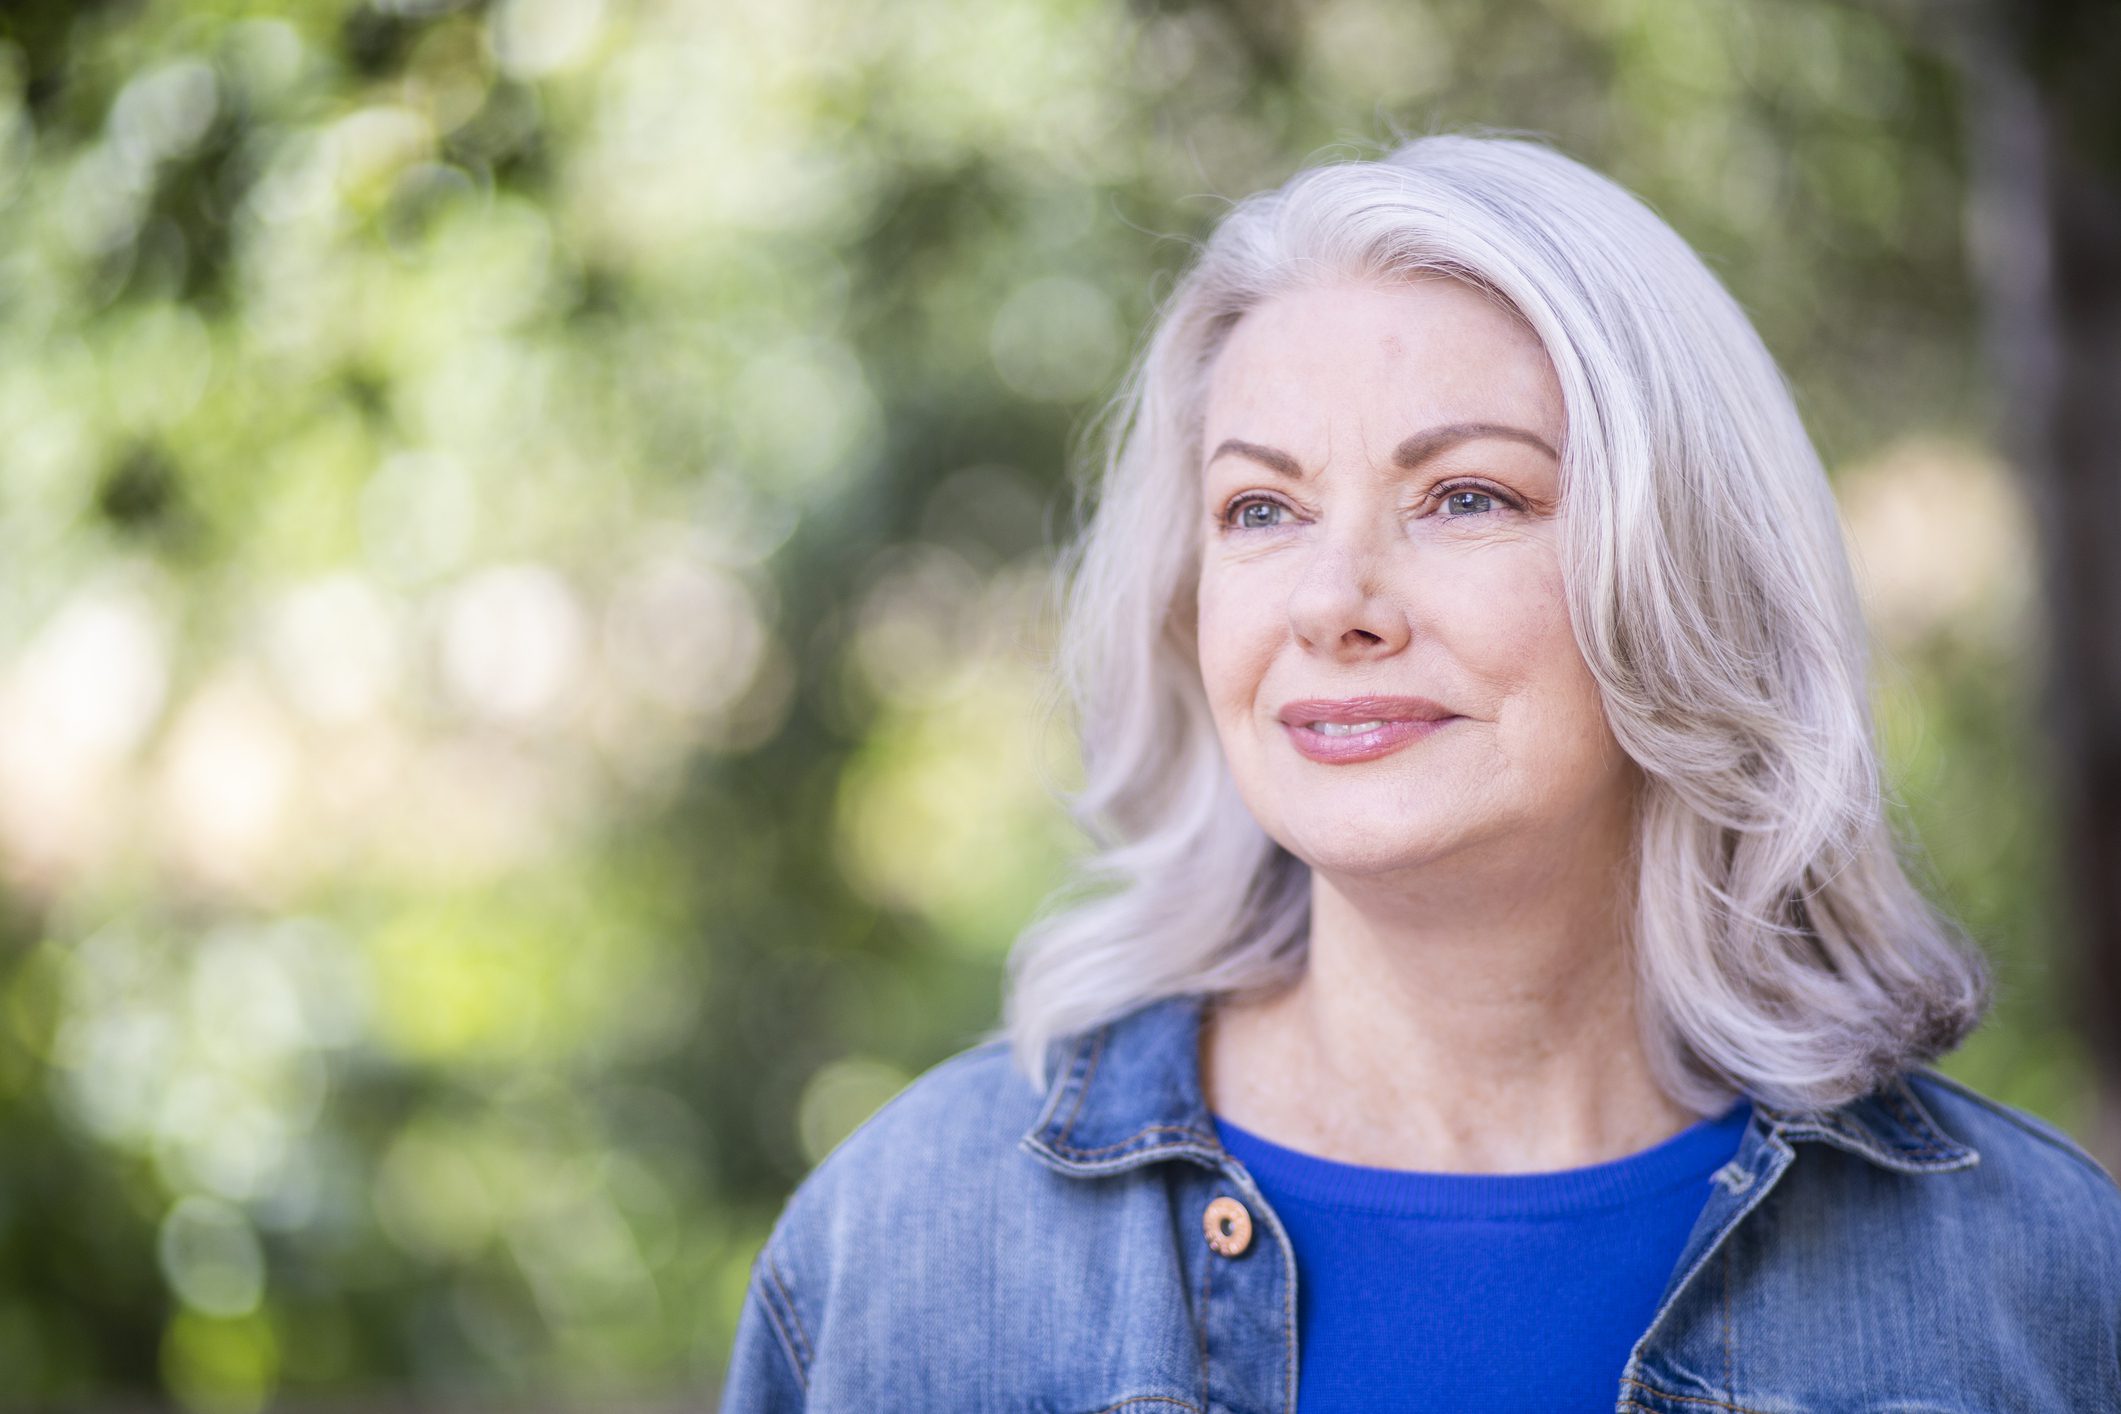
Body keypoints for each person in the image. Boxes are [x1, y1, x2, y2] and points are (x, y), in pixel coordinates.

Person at [717, 133, 2121, 1412]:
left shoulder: (2032, 1275)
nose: (1336, 600)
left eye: (1466, 496)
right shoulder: (906, 1242)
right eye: (1260, 507)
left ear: (1688, 570)